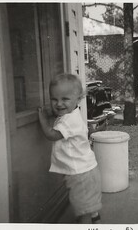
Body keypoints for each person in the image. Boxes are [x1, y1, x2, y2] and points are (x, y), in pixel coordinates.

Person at [38, 73, 102, 224]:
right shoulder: (71, 113)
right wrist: (52, 113)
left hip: (80, 174)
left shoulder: (70, 120)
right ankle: (95, 219)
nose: (59, 104)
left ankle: (86, 223)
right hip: (84, 170)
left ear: (78, 99)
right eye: (54, 99)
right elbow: (59, 115)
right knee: (87, 203)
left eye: (65, 99)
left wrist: (42, 118)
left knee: (83, 209)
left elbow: (51, 135)